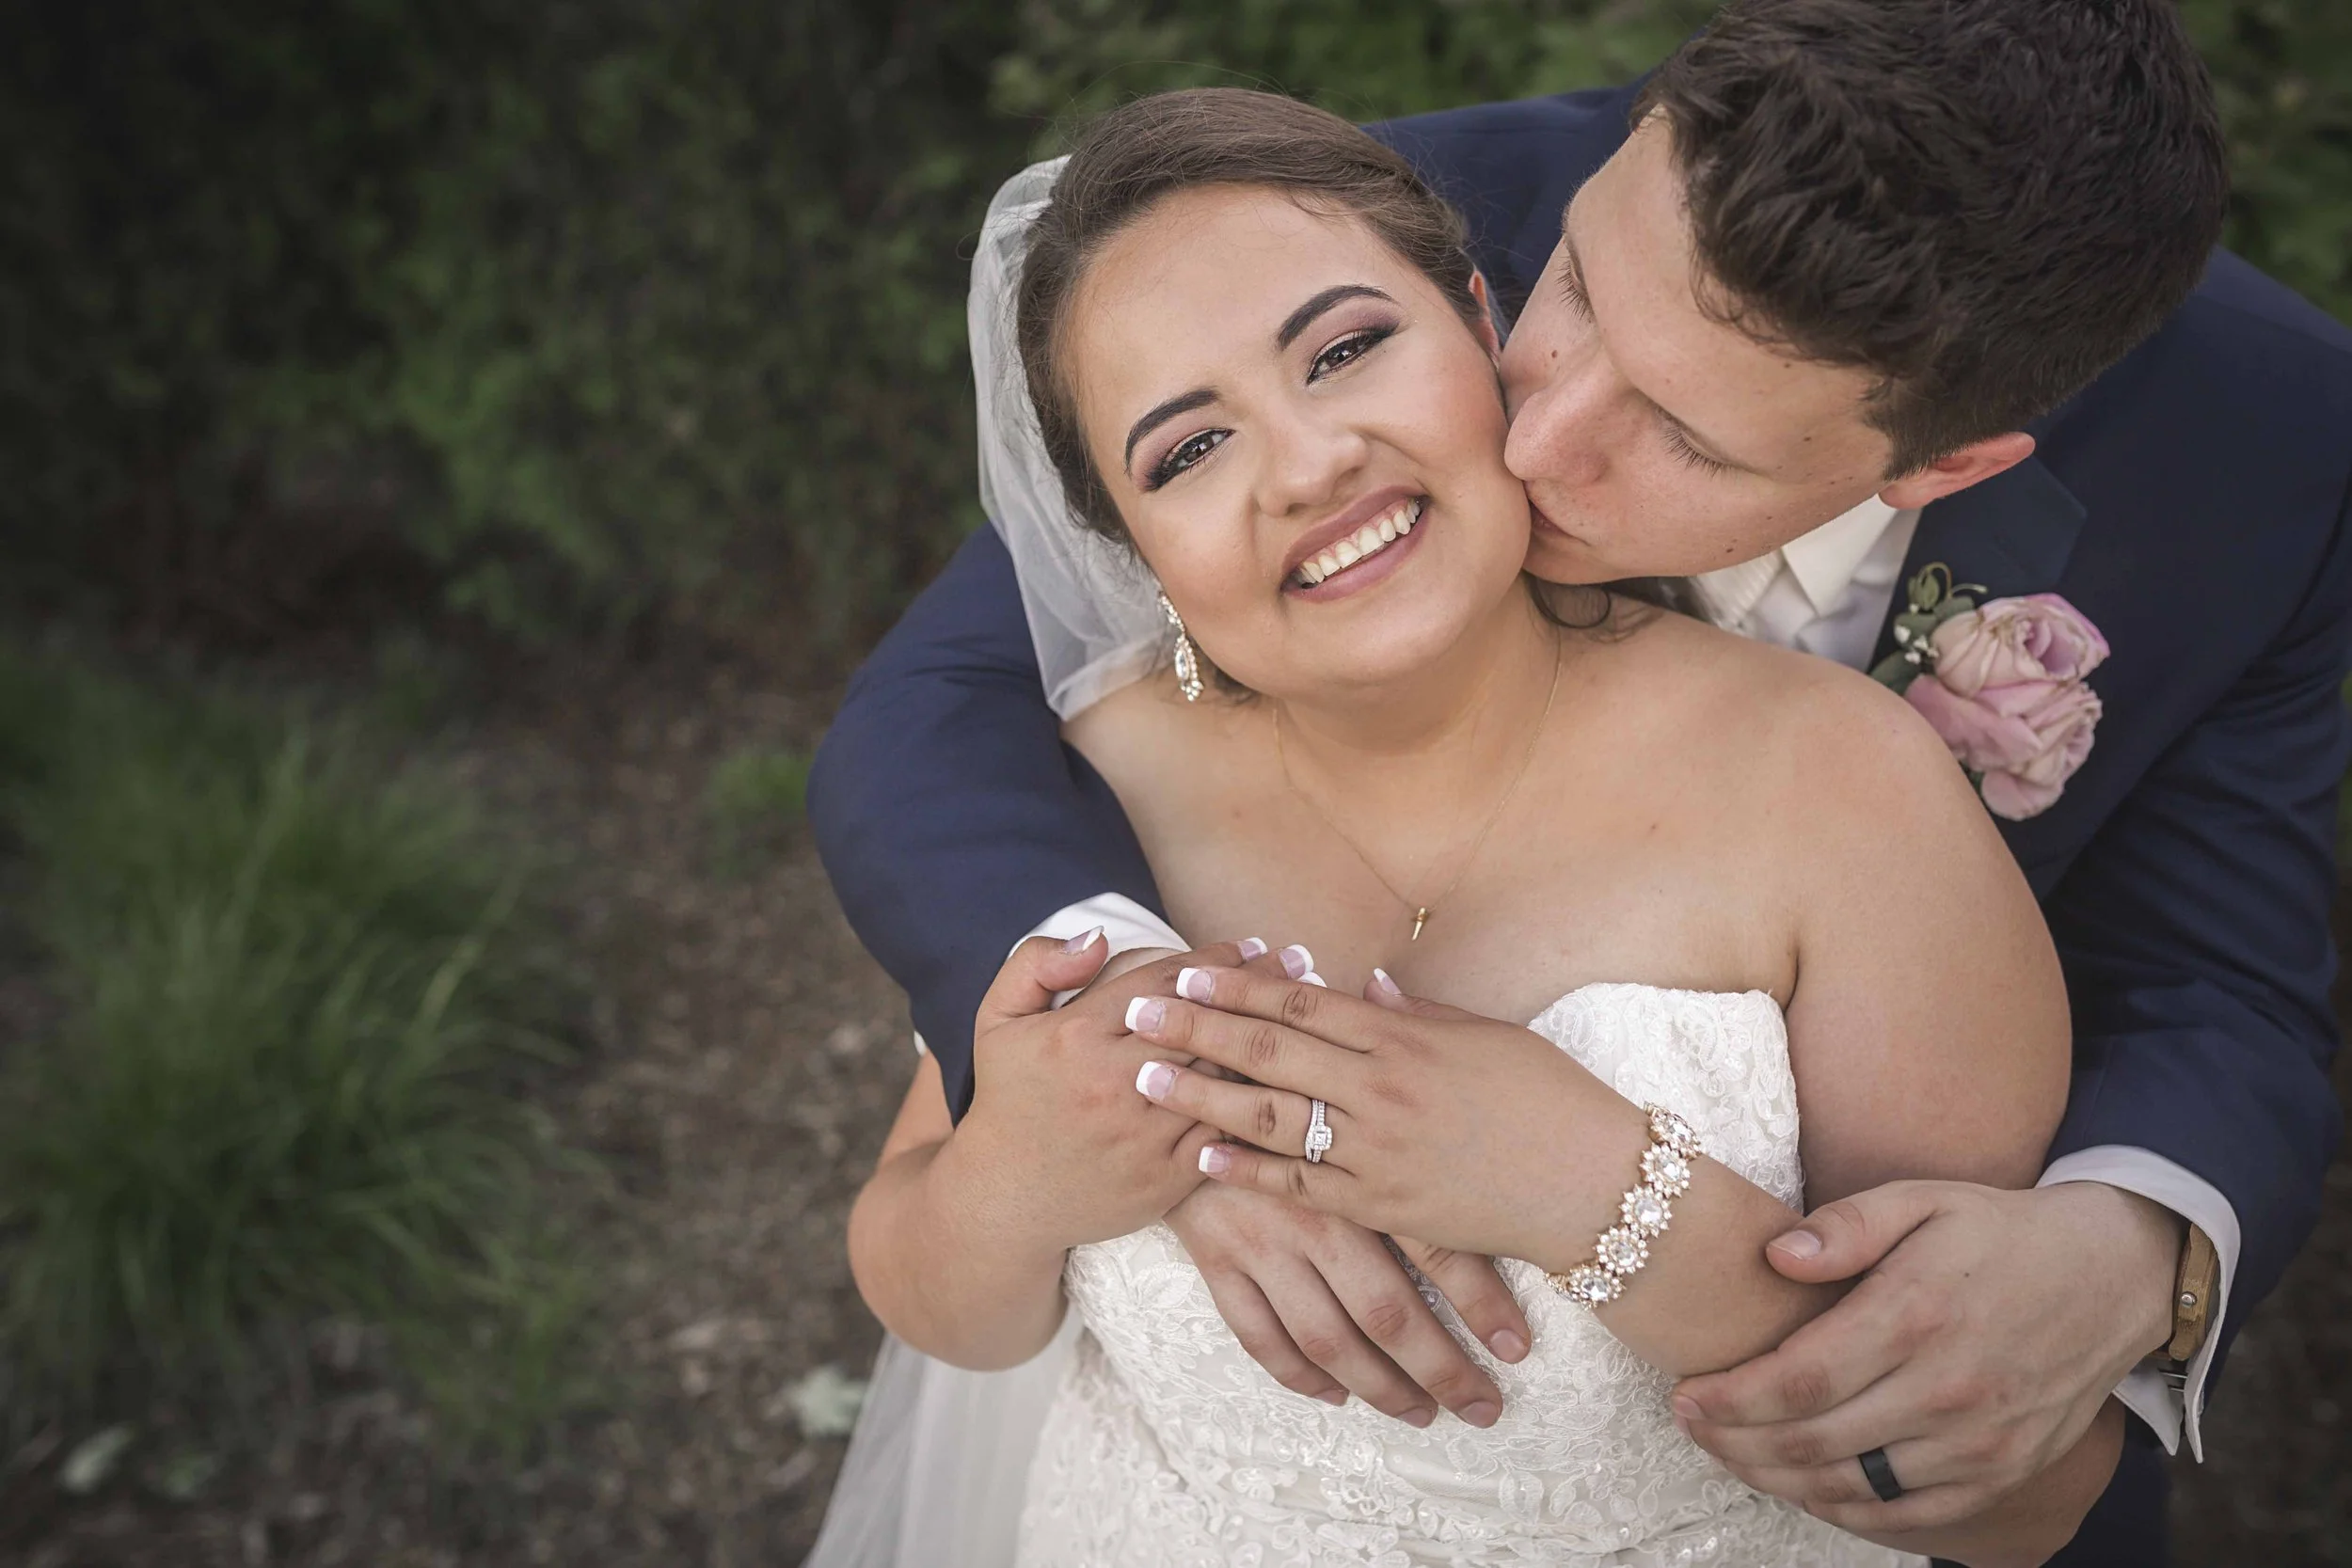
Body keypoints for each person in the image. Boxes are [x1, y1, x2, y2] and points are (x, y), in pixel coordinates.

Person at [810, 2, 2352, 1563]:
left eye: (1683, 432)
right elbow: (928, 725)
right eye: (1570, 298)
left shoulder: (2219, 483)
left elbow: (2213, 992)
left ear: (1943, 470)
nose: (1530, 437)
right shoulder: (1308, 238)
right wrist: (1124, 1102)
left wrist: (2122, 1251)